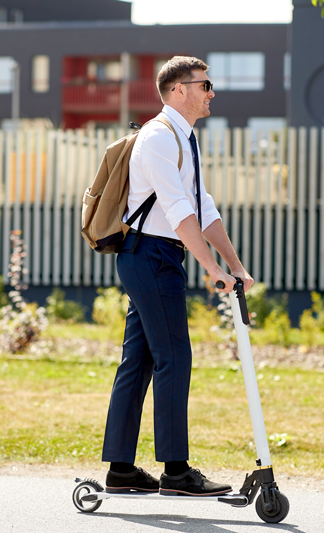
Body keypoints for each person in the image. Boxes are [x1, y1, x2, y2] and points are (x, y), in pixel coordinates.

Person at [101, 56, 255, 497]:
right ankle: (176, 471)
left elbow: (202, 205)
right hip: (149, 255)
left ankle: (121, 470)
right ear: (179, 90)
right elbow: (177, 209)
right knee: (174, 356)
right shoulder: (157, 138)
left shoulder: (183, 137)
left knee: (140, 360)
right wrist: (212, 269)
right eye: (205, 85)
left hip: (157, 256)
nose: (211, 93)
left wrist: (234, 265)